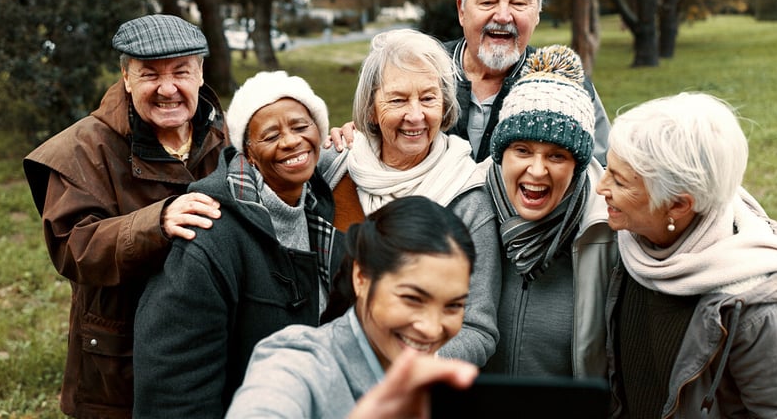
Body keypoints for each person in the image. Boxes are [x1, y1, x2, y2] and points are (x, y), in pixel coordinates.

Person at [22, 14, 227, 418]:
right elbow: (73, 248)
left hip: (208, 349)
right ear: (126, 77)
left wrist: (331, 143)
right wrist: (158, 222)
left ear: (201, 74)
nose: (168, 89)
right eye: (150, 74)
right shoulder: (80, 150)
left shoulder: (227, 135)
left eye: (181, 72)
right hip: (120, 360)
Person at [133, 70, 345, 419]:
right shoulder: (208, 237)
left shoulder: (320, 207)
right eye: (271, 135)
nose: (291, 141)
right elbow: (174, 387)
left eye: (301, 126)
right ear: (248, 151)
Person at [596, 93, 777, 417]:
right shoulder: (632, 247)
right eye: (608, 169)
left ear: (679, 205)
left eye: (619, 181)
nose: (601, 187)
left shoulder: (759, 310)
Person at [325, 0, 610, 165]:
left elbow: (602, 175)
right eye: (488, 1)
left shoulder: (566, 88)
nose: (502, 15)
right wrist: (359, 137)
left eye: (519, 3)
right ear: (462, 10)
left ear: (537, 14)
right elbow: (382, 124)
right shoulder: (420, 70)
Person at [320, 28, 499, 366]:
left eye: (428, 98)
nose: (415, 115)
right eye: (398, 99)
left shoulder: (468, 196)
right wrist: (188, 200)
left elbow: (478, 330)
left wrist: (397, 359)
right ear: (371, 109)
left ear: (445, 104)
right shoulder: (334, 168)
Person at [225, 196, 479, 418]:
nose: (432, 329)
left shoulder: (442, 387)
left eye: (453, 306)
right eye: (412, 299)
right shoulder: (299, 362)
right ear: (361, 277)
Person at [482, 44, 618, 378]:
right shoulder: (469, 204)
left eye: (557, 156)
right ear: (501, 153)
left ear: (579, 166)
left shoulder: (606, 229)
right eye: (523, 150)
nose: (537, 171)